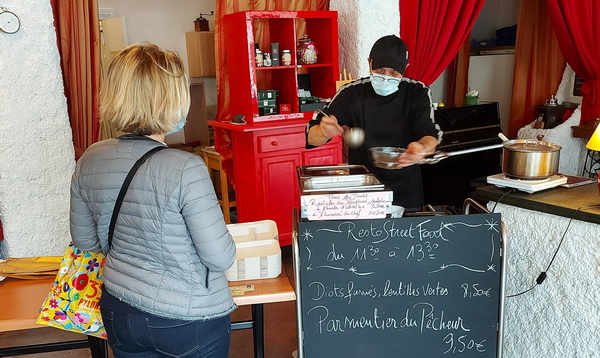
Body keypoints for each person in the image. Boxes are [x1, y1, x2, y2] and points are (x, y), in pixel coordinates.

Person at [70, 43, 236, 358]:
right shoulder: (185, 166)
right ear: (171, 99)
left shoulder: (90, 158)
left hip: (119, 310)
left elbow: (86, 243)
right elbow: (219, 258)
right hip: (188, 317)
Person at [306, 35, 443, 208]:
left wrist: (421, 147)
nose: (386, 77)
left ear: (405, 69)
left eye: (394, 73)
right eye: (380, 71)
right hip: (363, 189)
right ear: (369, 63)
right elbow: (311, 136)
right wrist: (324, 131)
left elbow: (430, 136)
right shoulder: (351, 93)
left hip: (406, 190)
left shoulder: (417, 92)